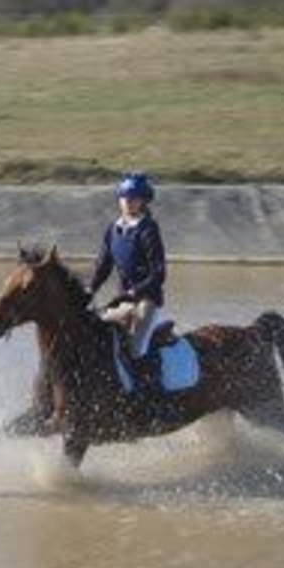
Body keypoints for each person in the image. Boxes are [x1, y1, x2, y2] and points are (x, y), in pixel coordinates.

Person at [88, 171, 175, 417]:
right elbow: (102, 267)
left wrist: (135, 290)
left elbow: (159, 272)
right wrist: (89, 290)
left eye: (134, 197)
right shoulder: (113, 229)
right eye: (125, 196)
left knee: (136, 348)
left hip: (147, 299)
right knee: (98, 336)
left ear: (143, 201)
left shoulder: (148, 229)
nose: (128, 201)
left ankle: (154, 399)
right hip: (123, 300)